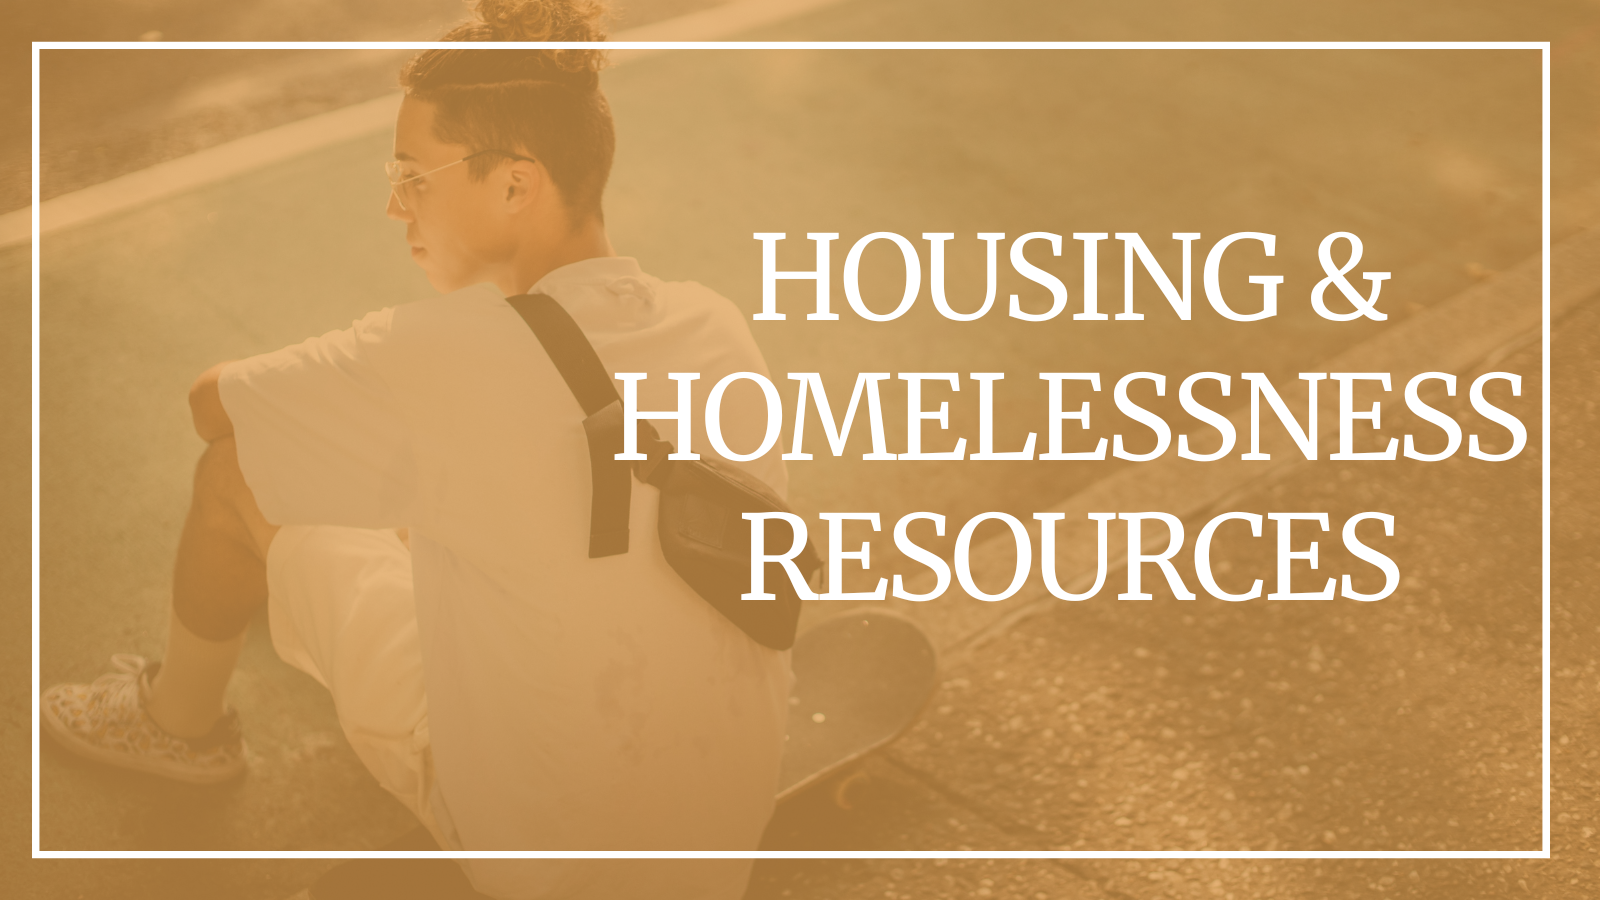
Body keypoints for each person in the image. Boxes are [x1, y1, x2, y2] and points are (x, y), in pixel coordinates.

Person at [41, 2, 793, 896]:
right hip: (721, 841)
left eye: (412, 175)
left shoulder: (436, 358)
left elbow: (214, 407)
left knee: (239, 473)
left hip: (542, 857)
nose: (393, 203)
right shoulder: (715, 325)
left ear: (515, 185)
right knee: (453, 512)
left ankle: (175, 724)